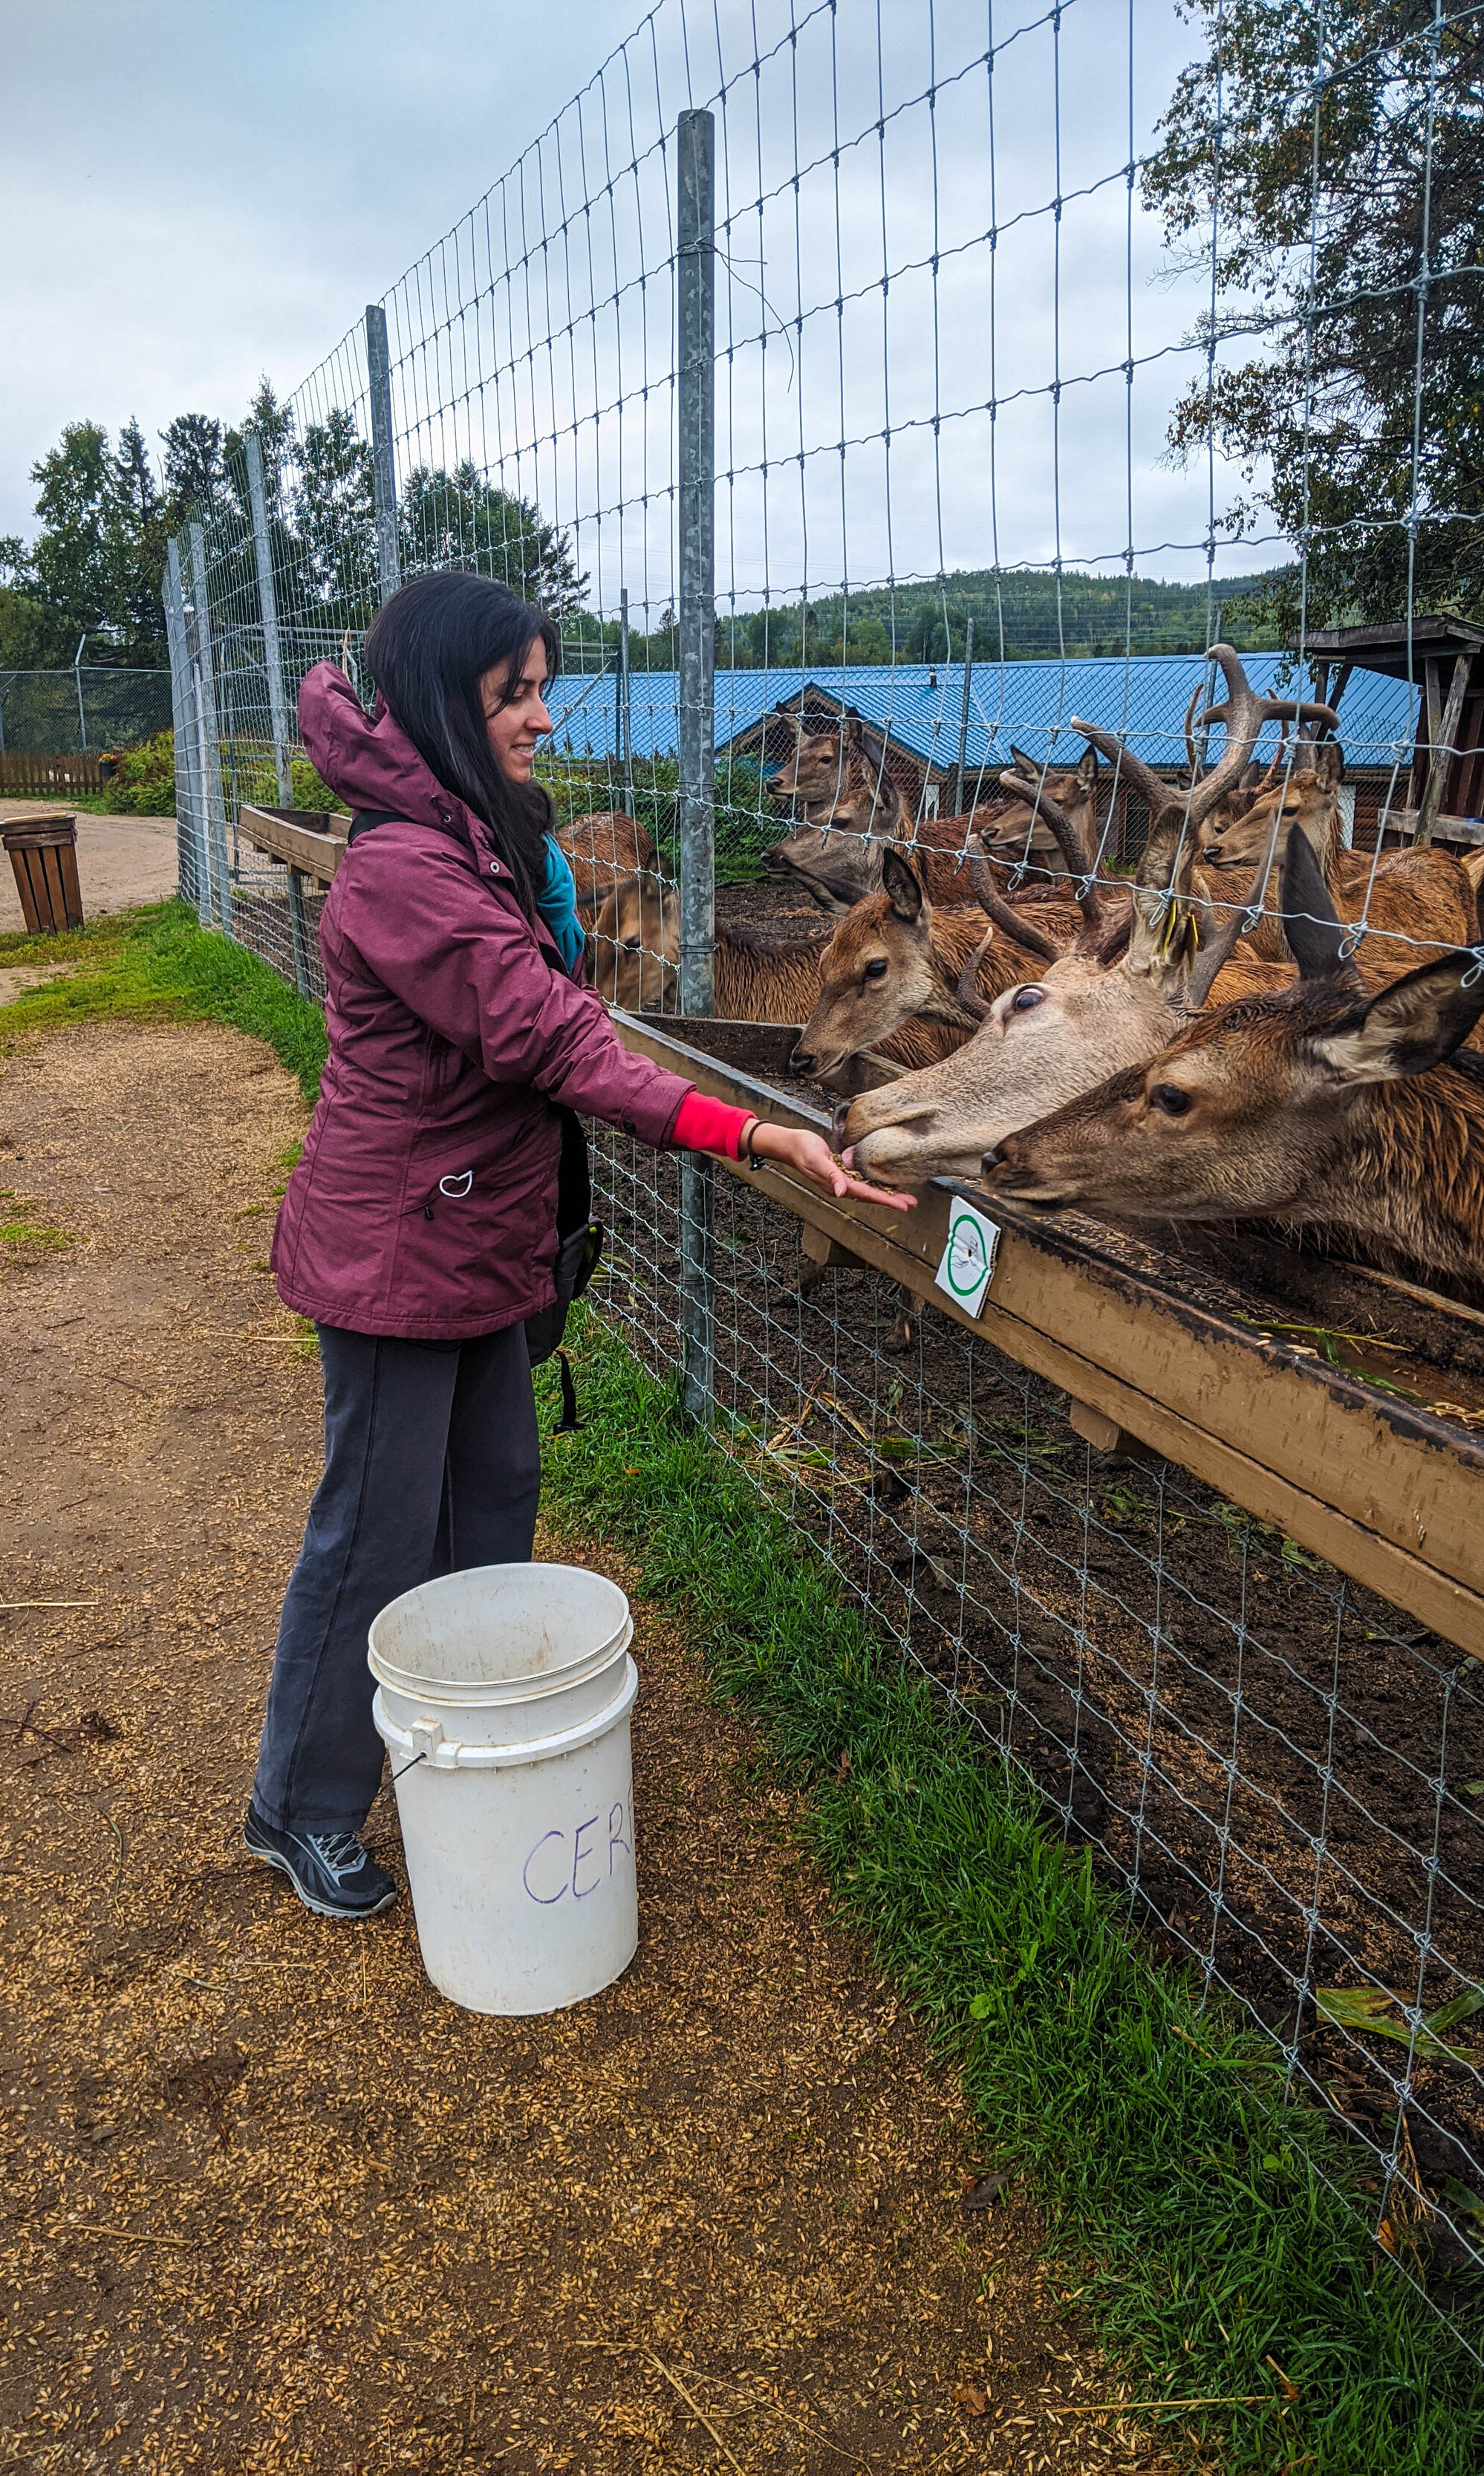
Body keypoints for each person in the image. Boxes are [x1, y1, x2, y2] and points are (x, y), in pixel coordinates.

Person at [246, 569, 914, 1920]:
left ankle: (468, 1738)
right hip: (395, 1255)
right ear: (449, 702)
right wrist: (751, 1133)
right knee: (372, 1534)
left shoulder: (472, 827)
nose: (543, 717)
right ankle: (299, 1806)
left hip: (474, 1235)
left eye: (547, 688)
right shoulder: (405, 868)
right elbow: (548, 1033)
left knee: (490, 1500)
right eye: (516, 694)